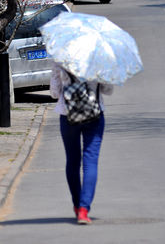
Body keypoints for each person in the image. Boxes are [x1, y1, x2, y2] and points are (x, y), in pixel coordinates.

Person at [50, 62, 113, 224]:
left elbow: (55, 93)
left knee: (72, 161)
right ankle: (84, 210)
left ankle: (77, 205)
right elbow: (108, 89)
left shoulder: (60, 56)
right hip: (95, 113)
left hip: (67, 114)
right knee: (90, 160)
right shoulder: (99, 56)